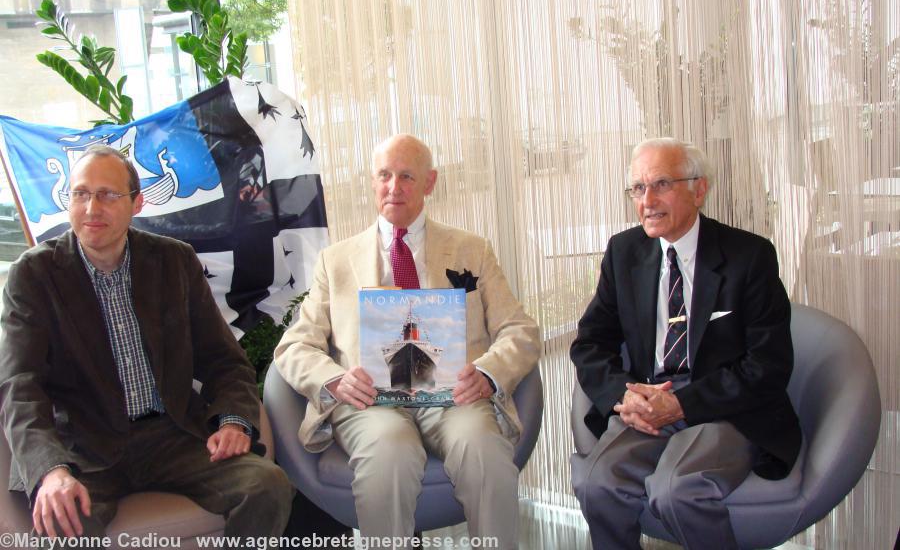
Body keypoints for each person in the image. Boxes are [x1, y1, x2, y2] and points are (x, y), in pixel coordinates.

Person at [0, 146, 293, 539]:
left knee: (267, 486)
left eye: (107, 194)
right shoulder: (34, 275)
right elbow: (20, 386)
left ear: (137, 203)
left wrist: (233, 420)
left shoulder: (174, 261)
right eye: (80, 194)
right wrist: (51, 471)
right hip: (83, 448)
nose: (91, 208)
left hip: (171, 434)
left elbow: (224, 359)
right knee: (62, 523)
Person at [274, 133, 539, 549]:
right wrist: (334, 380)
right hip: (370, 403)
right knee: (389, 453)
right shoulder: (336, 261)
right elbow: (293, 347)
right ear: (372, 181)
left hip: (454, 399)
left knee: (483, 449)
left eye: (406, 176)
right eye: (384, 175)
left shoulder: (473, 250)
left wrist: (488, 373)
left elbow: (520, 330)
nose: (393, 187)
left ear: (430, 183)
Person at [570, 138, 801, 550]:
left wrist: (682, 404)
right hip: (649, 400)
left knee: (676, 491)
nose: (647, 201)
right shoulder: (624, 252)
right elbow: (590, 342)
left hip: (725, 409)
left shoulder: (749, 256)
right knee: (595, 482)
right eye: (638, 189)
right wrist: (625, 396)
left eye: (661, 184)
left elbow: (768, 364)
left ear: (699, 189)